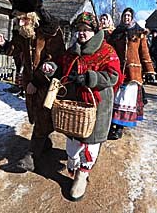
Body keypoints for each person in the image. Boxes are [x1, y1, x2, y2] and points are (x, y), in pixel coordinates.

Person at [42, 12, 121, 201]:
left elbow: (114, 76)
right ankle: (73, 161)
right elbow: (61, 69)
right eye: (79, 30)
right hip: (74, 105)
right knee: (73, 139)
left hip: (97, 103)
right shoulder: (71, 51)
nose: (82, 33)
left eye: (86, 30)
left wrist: (89, 77)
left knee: (91, 142)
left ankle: (82, 175)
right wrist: (51, 68)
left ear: (94, 31)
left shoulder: (106, 51)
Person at [0, 0, 66, 172]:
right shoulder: (22, 33)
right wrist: (4, 44)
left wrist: (39, 80)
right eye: (17, 18)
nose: (19, 22)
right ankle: (44, 142)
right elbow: (15, 49)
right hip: (30, 83)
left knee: (43, 114)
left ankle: (32, 155)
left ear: (33, 16)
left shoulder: (51, 32)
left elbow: (56, 60)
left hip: (48, 83)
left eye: (23, 18)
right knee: (35, 114)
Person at [107, 8, 156, 139]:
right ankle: (112, 125)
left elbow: (144, 52)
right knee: (116, 98)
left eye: (129, 16)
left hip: (133, 72)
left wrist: (149, 70)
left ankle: (120, 127)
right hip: (117, 70)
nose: (126, 18)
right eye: (125, 15)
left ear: (132, 17)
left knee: (125, 100)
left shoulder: (139, 33)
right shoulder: (117, 33)